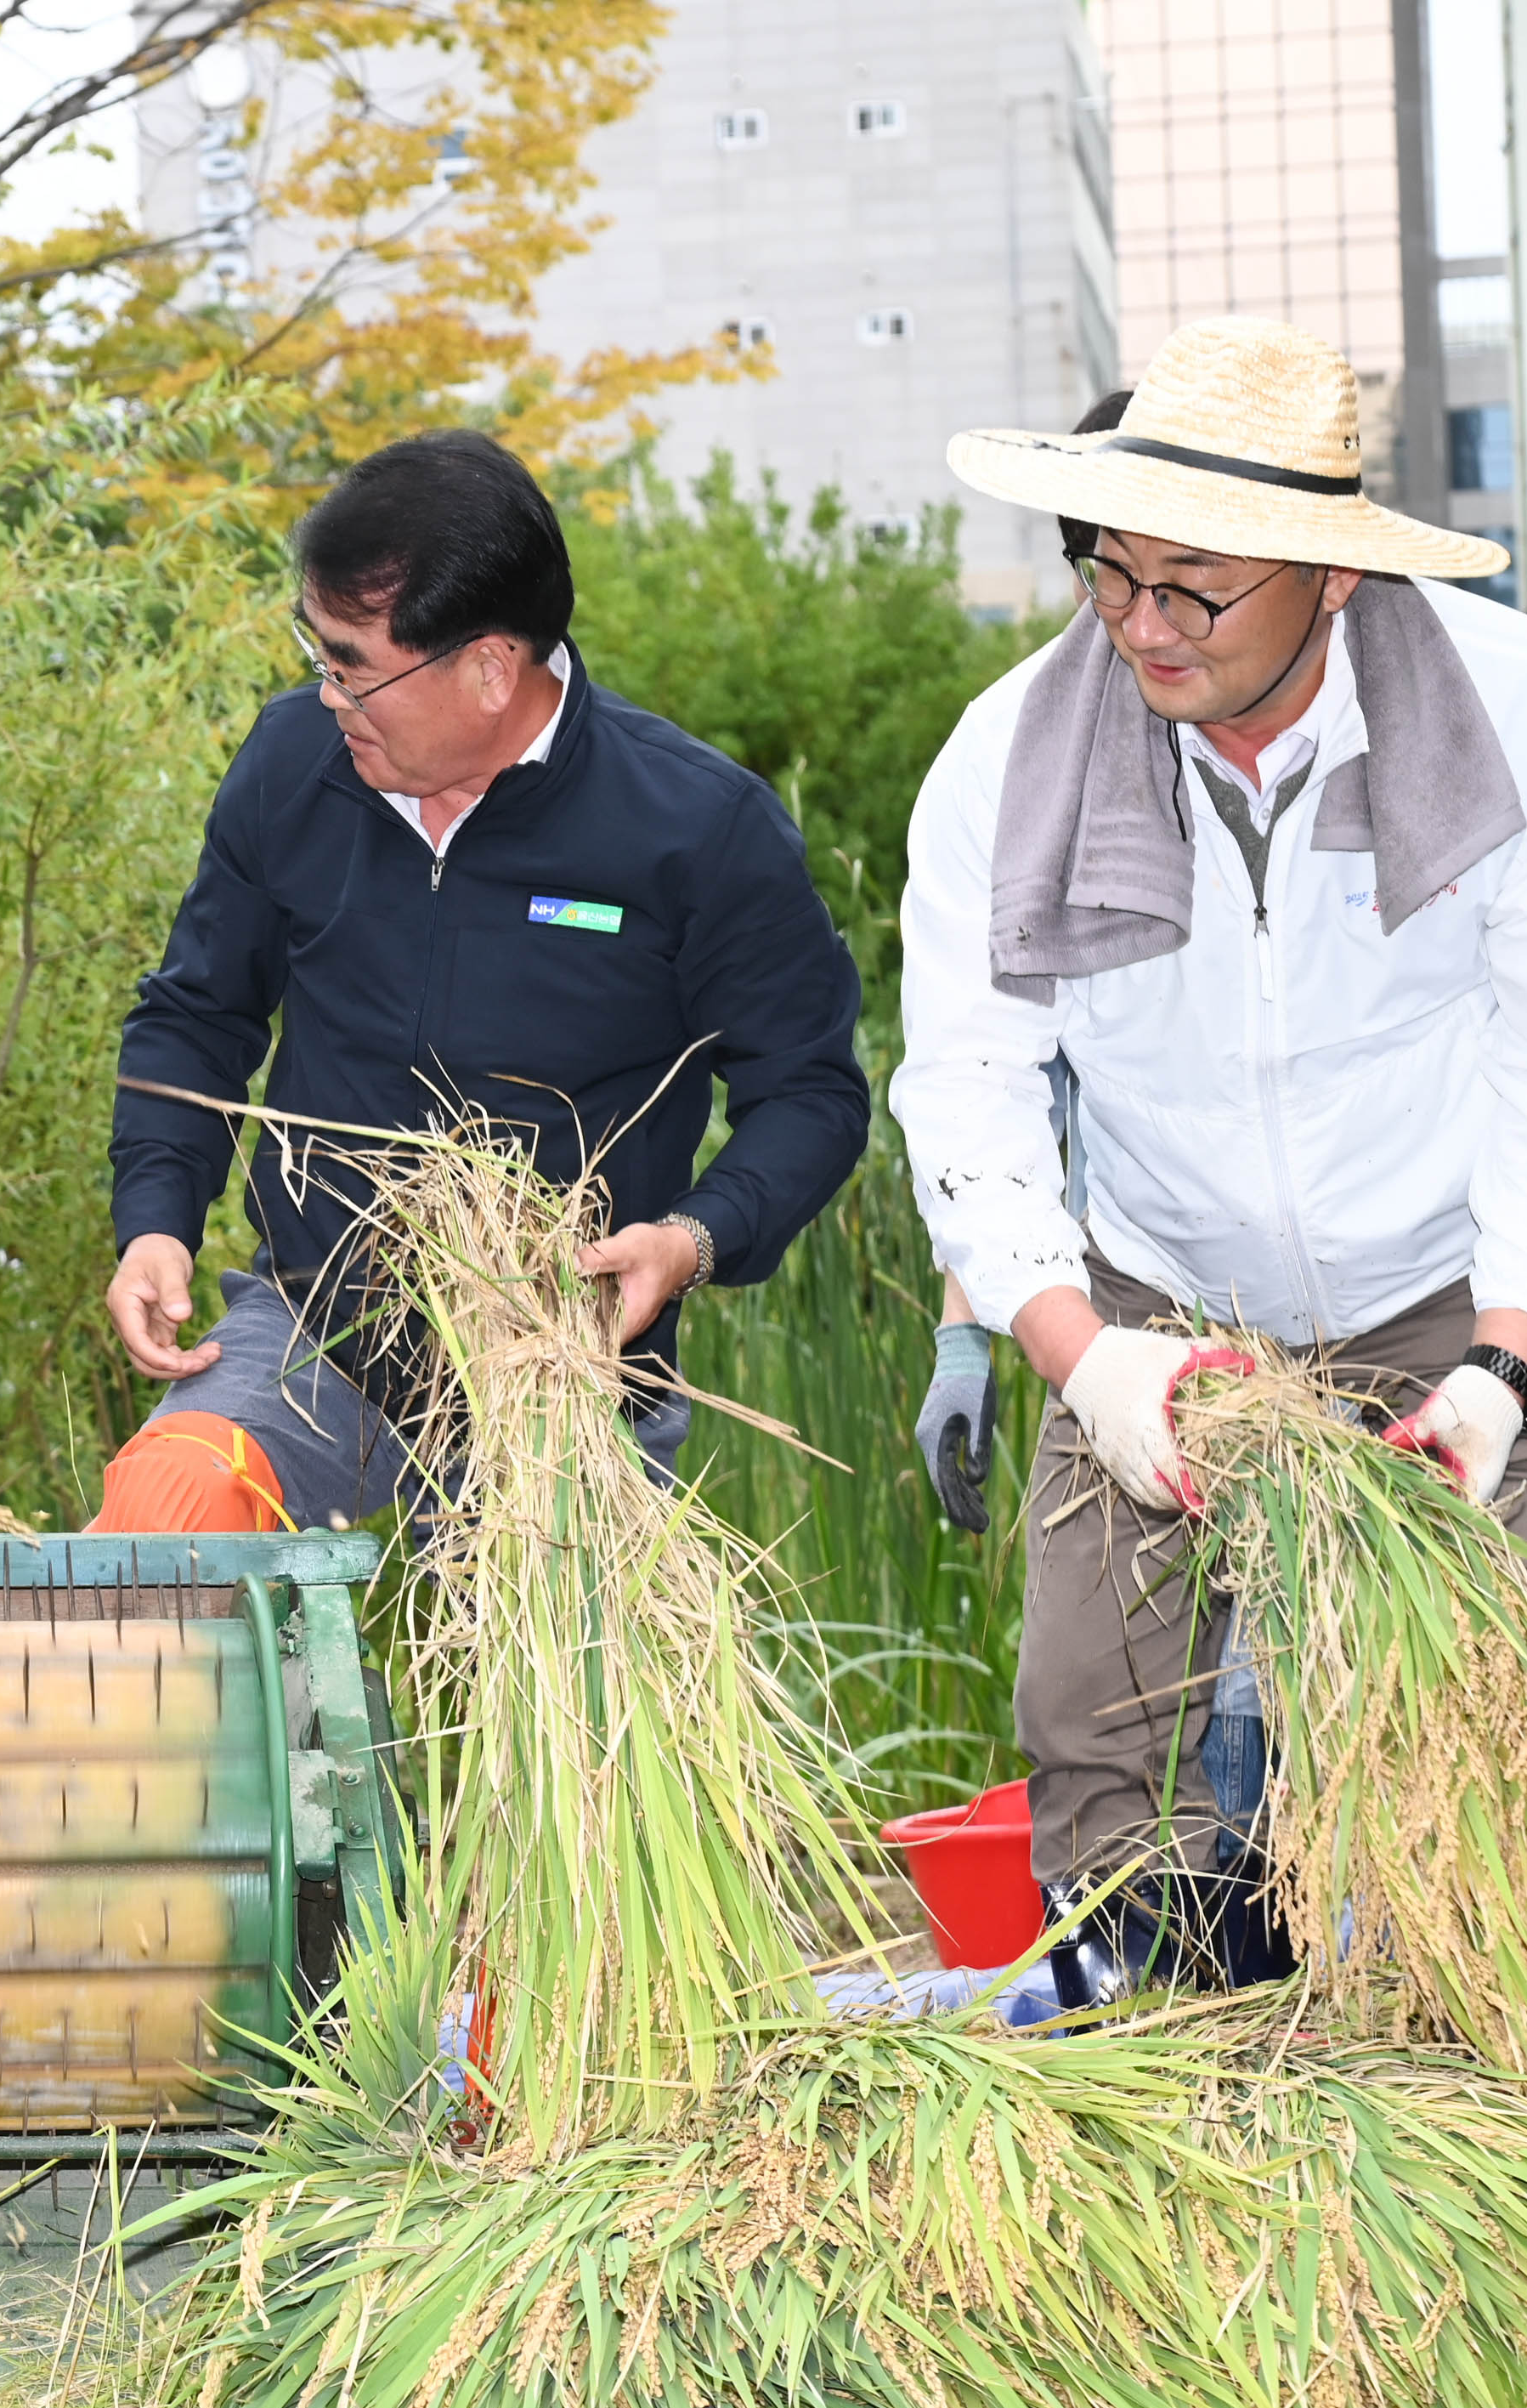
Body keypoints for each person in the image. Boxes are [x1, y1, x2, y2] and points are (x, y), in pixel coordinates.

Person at [898, 314, 1527, 2005]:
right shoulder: (1007, 762)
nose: (1139, 628)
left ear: (1326, 578)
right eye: (1114, 578)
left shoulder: (1500, 720)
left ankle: (1431, 2073)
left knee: (1450, 1721)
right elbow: (967, 1082)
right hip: (1161, 1307)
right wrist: (1073, 1351)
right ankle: (1182, 2067)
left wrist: (1498, 1368)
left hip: (1437, 1292)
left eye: (1195, 589)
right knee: (1092, 1725)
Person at [98, 429, 870, 1531]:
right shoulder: (292, 769)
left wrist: (691, 1239)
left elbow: (811, 1096)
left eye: (352, 665)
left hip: (562, 1359)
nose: (326, 696)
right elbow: (196, 1013)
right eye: (315, 654)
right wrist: (156, 1220)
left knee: (538, 1684)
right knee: (164, 1515)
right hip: (319, 1326)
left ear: (489, 665)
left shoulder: (695, 830)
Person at [913, 390, 1133, 1538]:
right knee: (1131, 1703)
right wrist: (965, 1338)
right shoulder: (1010, 757)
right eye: (1095, 561)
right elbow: (1000, 1087)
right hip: (1110, 1327)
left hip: (1379, 1313)